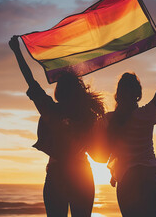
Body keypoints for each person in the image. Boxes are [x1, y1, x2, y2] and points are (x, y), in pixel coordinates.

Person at [8, 35, 105, 217]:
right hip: (81, 174)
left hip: (57, 174)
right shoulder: (87, 115)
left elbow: (31, 81)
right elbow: (97, 150)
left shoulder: (51, 110)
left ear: (59, 91)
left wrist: (17, 52)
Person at [107, 42, 156, 217]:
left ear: (118, 94)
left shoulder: (110, 119)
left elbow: (113, 148)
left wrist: (114, 174)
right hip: (152, 176)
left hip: (128, 179)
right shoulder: (146, 113)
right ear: (138, 94)